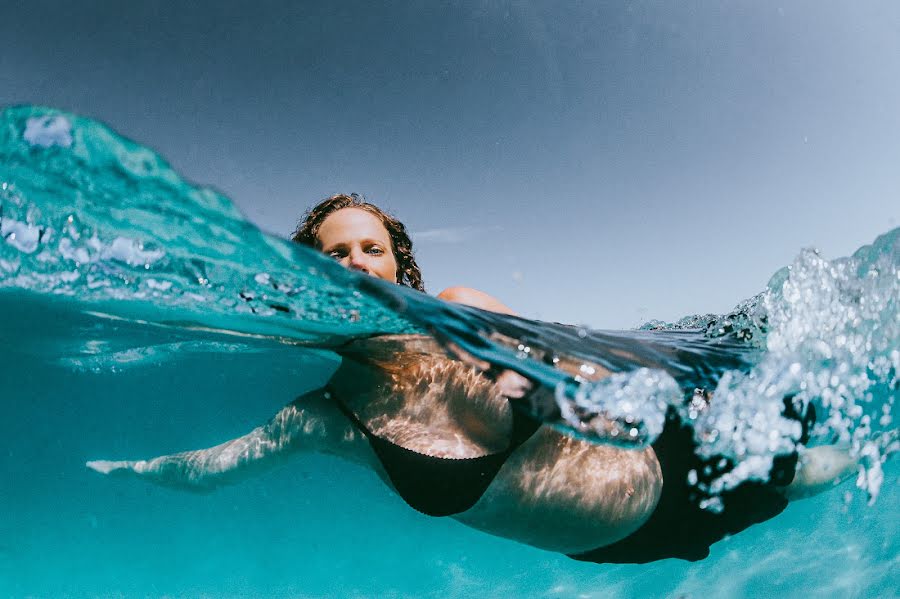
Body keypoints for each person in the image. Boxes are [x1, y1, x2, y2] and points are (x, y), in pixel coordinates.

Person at [86, 194, 856, 561]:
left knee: (811, 471)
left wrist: (560, 391)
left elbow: (570, 371)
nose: (356, 263)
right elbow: (216, 467)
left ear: (398, 265)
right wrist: (131, 470)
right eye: (334, 254)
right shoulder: (328, 417)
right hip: (612, 544)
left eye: (371, 248)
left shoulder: (458, 315)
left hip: (676, 460)